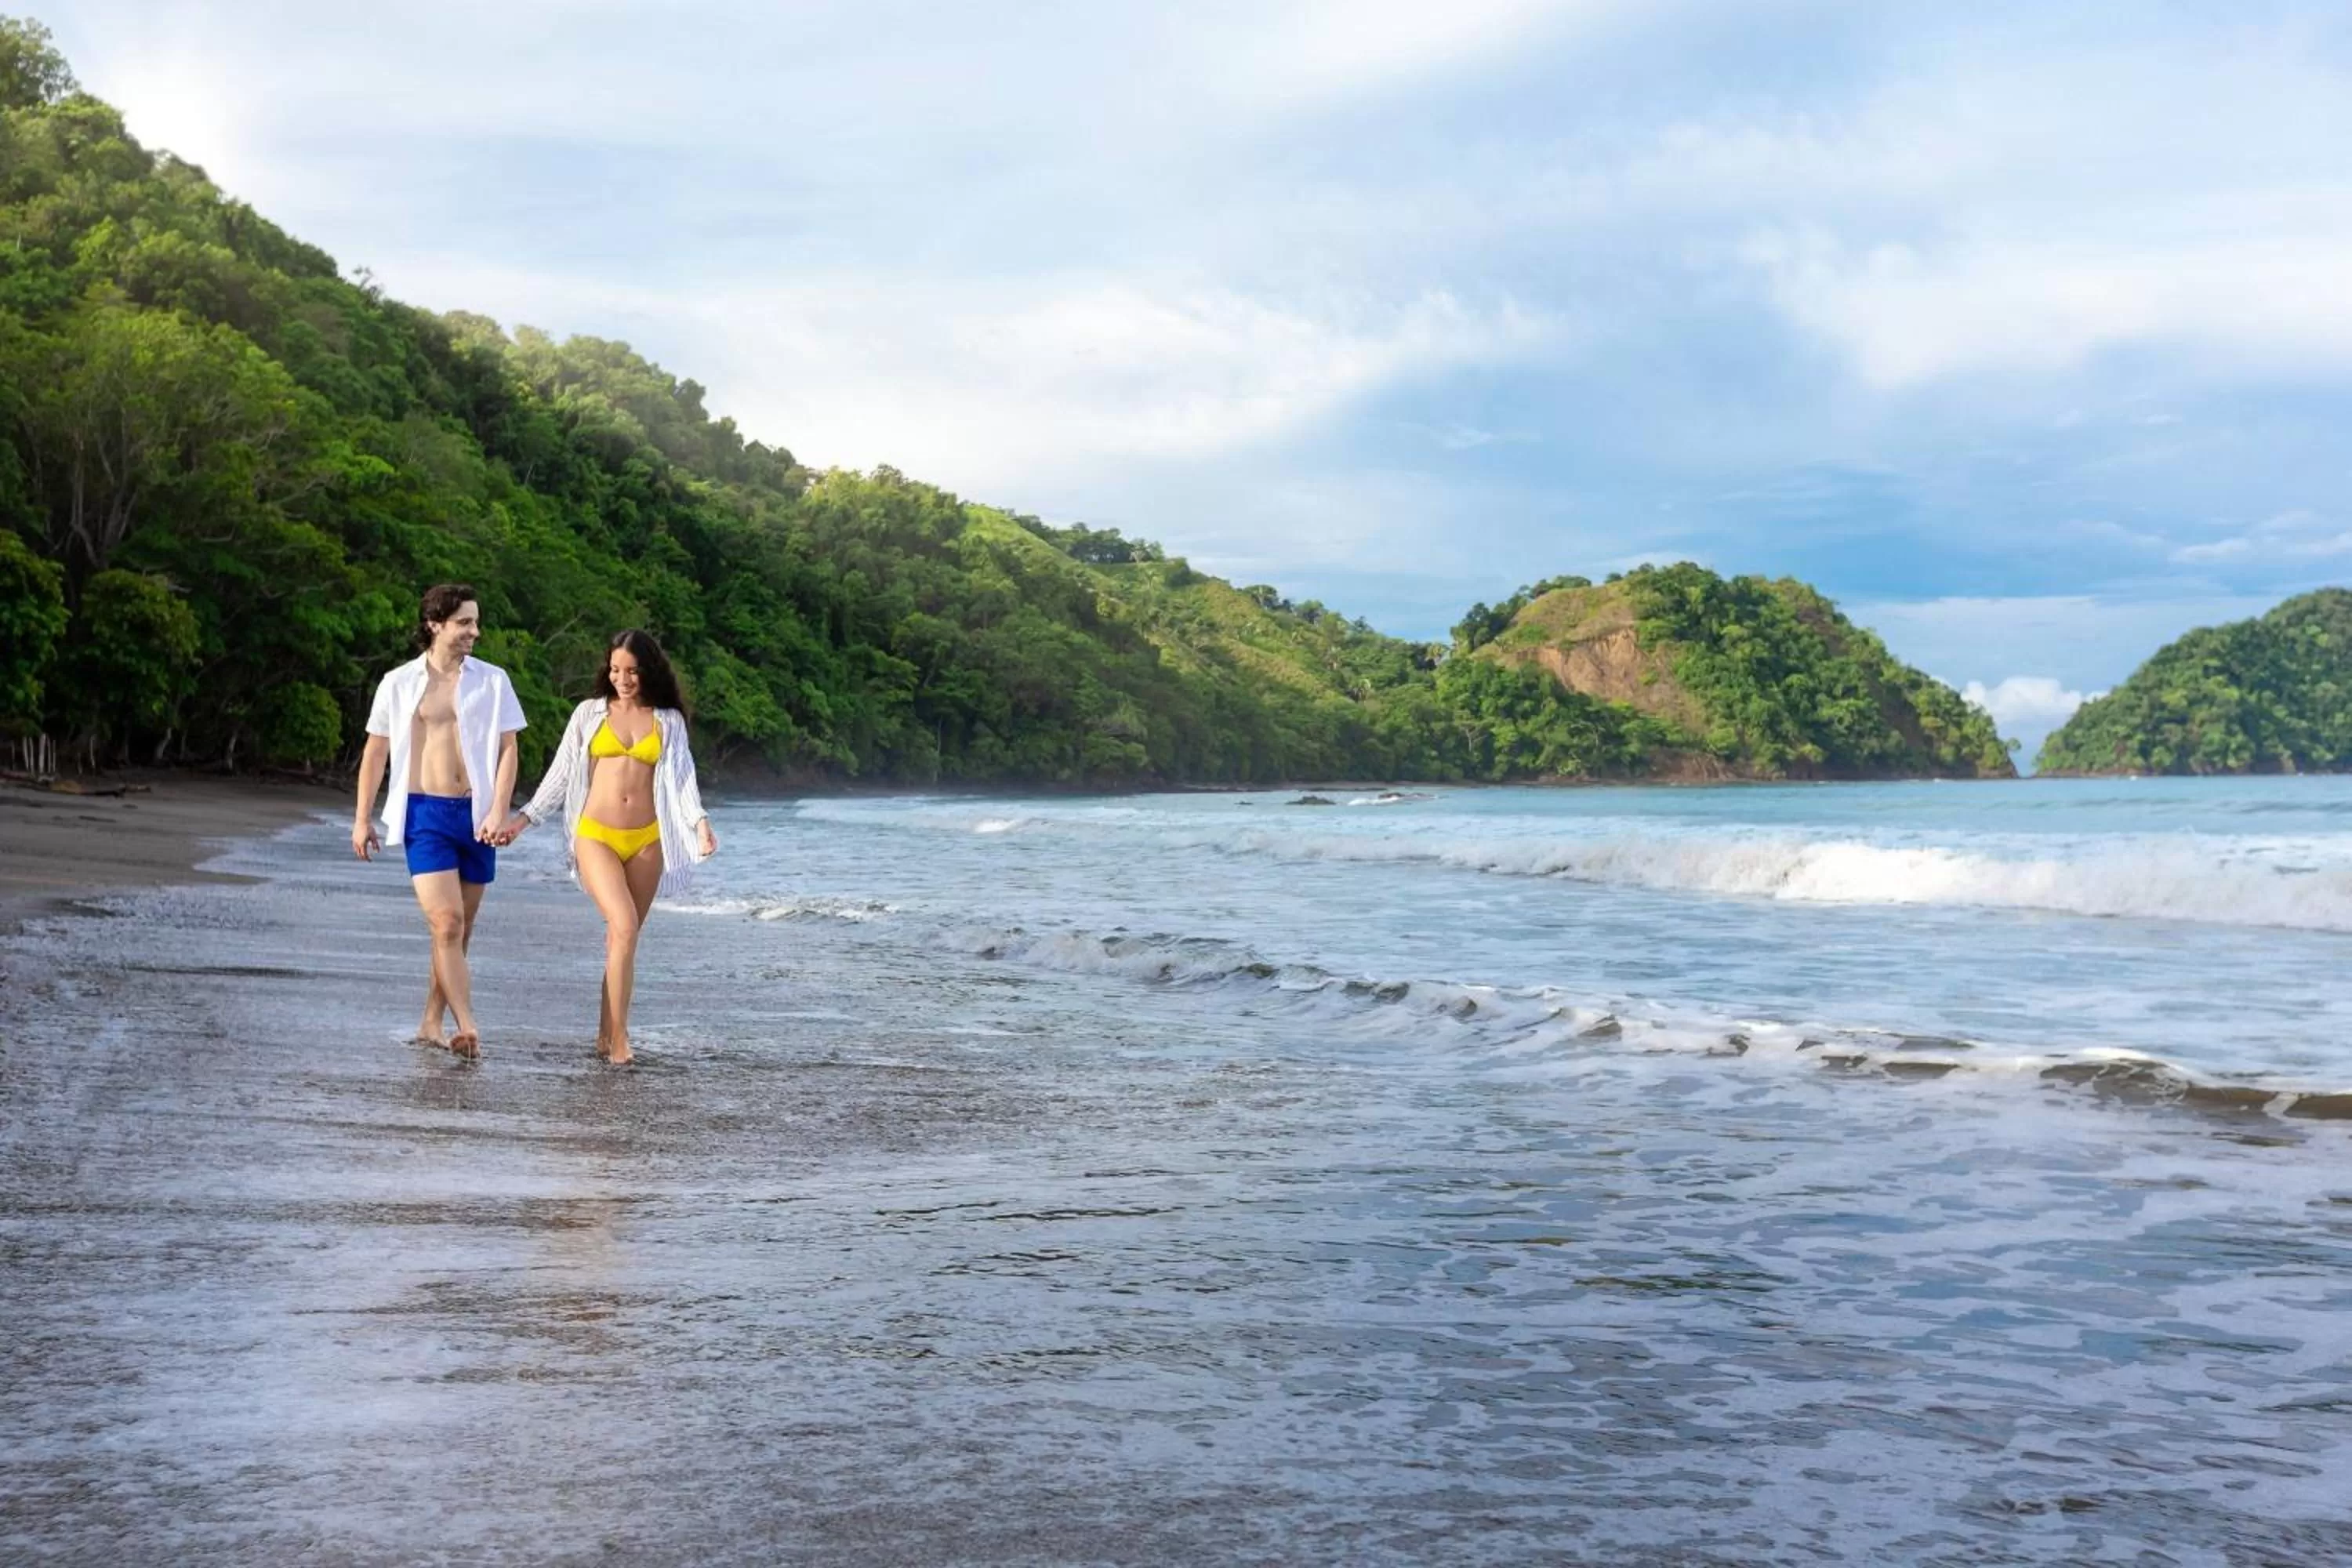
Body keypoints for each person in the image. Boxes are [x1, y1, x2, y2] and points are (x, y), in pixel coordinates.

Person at [501, 630, 717, 1065]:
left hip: (648, 840)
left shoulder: (668, 721)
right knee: (623, 925)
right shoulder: (589, 714)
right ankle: (620, 1041)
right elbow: (562, 774)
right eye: (616, 670)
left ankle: (605, 1035)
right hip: (596, 835)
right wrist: (523, 820)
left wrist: (700, 824)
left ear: (649, 671)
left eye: (632, 671)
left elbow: (682, 779)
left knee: (624, 938)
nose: (623, 679)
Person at [351, 584, 527, 1059]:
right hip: (424, 814)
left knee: (457, 933)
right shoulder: (399, 683)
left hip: (477, 817)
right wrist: (362, 819)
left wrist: (499, 810)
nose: (475, 631)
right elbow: (376, 751)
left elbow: (509, 749)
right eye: (465, 622)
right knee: (446, 923)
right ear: (435, 624)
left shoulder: (493, 681)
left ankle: (431, 1021)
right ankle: (468, 1027)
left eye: (476, 622)